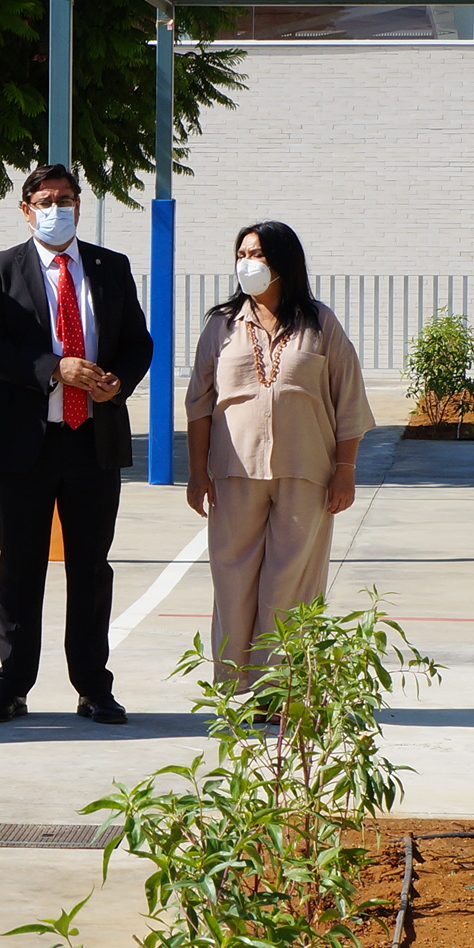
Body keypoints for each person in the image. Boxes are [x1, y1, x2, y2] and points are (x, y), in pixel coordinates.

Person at [0, 165, 153, 726]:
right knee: (20, 568)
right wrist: (55, 369)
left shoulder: (111, 266)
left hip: (92, 440)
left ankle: (93, 686)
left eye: (66, 199)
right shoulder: (0, 269)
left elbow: (137, 341)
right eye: (45, 200)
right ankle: (12, 686)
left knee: (90, 569)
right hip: (27, 444)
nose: (57, 208)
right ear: (26, 209)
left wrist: (117, 379)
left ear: (80, 203)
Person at [183, 222, 369, 686]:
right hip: (233, 471)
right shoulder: (221, 325)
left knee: (292, 582)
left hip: (306, 471)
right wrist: (195, 473)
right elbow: (199, 404)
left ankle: (281, 688)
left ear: (283, 262)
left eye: (258, 254)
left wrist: (344, 470)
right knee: (233, 578)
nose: (247, 262)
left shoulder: (321, 323)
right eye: (241, 253)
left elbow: (349, 402)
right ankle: (235, 684)